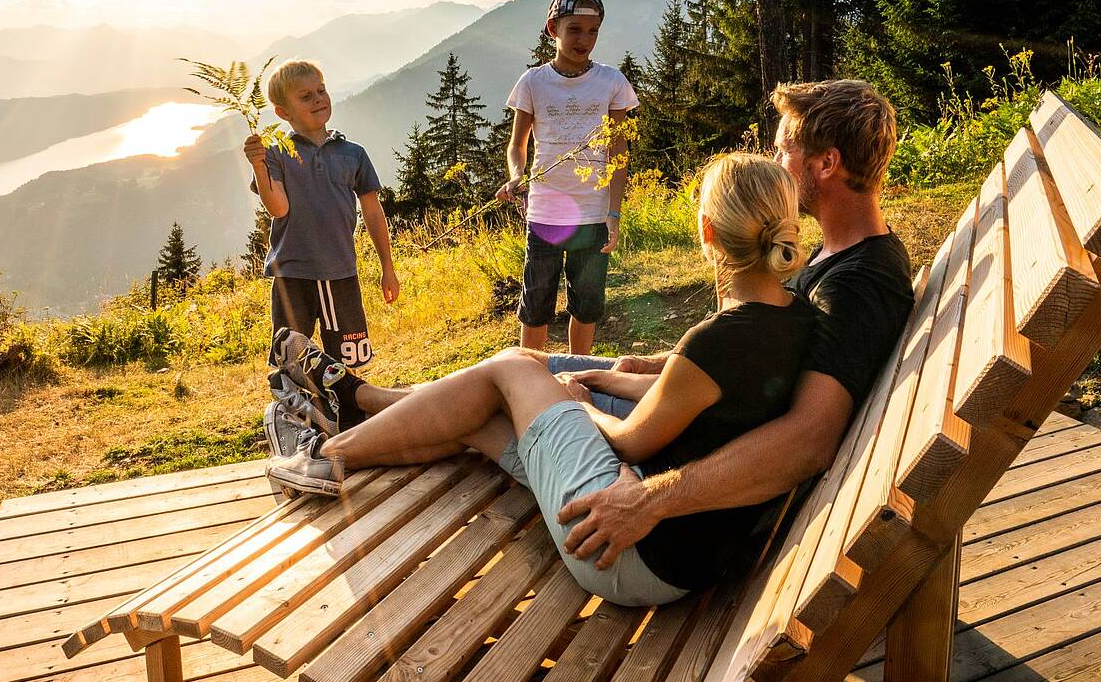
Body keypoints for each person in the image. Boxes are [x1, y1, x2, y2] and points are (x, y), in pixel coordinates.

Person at [269, 153, 816, 606]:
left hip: (627, 548)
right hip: (685, 552)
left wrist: (579, 401)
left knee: (515, 366)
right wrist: (607, 377)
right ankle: (360, 410)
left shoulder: (719, 338)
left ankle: (330, 451)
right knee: (478, 419)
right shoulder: (799, 316)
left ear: (707, 231)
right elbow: (705, 398)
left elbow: (630, 439)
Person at [551, 79, 914, 571]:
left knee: (514, 380)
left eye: (784, 149)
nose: (776, 161)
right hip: (699, 419)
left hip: (685, 519)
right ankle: (406, 399)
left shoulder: (855, 288)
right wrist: (662, 364)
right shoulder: (843, 253)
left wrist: (650, 500)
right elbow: (762, 351)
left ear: (826, 164)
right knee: (524, 365)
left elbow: (809, 439)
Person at [245, 59, 397, 442]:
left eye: (321, 91)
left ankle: (349, 425)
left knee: (345, 357)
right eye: (305, 96)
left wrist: (387, 267)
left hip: (340, 271)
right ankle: (296, 428)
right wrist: (259, 165)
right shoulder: (278, 152)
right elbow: (278, 208)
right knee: (291, 357)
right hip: (291, 273)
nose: (318, 100)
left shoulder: (352, 154)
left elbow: (374, 213)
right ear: (282, 112)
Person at [495, 0, 638, 355]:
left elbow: (618, 150)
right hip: (546, 211)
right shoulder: (533, 82)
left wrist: (614, 212)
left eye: (592, 31)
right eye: (574, 29)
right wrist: (516, 175)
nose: (584, 40)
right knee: (537, 304)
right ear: (552, 28)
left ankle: (579, 374)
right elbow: (517, 144)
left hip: (593, 214)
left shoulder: (611, 82)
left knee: (587, 304)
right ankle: (529, 376)